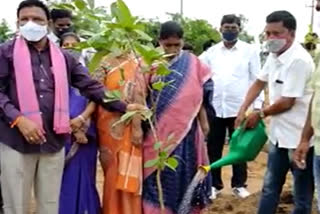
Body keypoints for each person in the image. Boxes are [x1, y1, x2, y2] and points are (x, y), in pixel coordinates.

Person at [0, 1, 143, 214]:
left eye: (37, 19)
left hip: (53, 141)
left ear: (48, 23)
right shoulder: (5, 53)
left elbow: (91, 87)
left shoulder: (63, 58)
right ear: (17, 23)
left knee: (50, 205)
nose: (31, 24)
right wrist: (19, 119)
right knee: (16, 206)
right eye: (25, 19)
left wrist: (125, 106)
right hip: (15, 141)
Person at [235, 11, 315, 214]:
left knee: (302, 194)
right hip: (278, 137)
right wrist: (243, 108)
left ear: (292, 34)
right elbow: (259, 82)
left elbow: (288, 101)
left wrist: (259, 114)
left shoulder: (298, 60)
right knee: (270, 188)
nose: (270, 38)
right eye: (267, 33)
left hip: (300, 140)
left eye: (276, 33)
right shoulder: (274, 55)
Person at [142, 21, 214, 214]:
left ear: (183, 42)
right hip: (155, 134)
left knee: (184, 171)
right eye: (168, 45)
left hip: (187, 132)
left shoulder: (193, 63)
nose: (173, 49)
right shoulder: (149, 63)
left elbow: (200, 96)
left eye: (177, 45)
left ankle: (184, 209)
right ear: (159, 42)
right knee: (156, 174)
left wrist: (204, 122)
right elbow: (140, 97)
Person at [199, 14, 263, 199]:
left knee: (240, 148)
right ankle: (214, 185)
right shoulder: (211, 53)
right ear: (220, 29)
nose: (229, 31)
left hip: (240, 109)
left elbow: (257, 79)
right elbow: (196, 67)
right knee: (214, 148)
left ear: (239, 29)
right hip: (216, 108)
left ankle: (239, 185)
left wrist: (256, 107)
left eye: (233, 28)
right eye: (226, 27)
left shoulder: (250, 51)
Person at [96, 55, 145, 214]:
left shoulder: (138, 61)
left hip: (130, 125)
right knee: (111, 172)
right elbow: (94, 94)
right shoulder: (102, 61)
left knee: (128, 168)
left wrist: (137, 127)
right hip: (106, 126)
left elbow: (140, 96)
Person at [59, 33, 100, 214]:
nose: (70, 48)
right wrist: (72, 128)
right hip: (62, 136)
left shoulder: (88, 73)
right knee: (65, 181)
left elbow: (96, 98)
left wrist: (82, 121)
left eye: (73, 45)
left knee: (86, 178)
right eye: (65, 45)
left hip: (86, 137)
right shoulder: (53, 73)